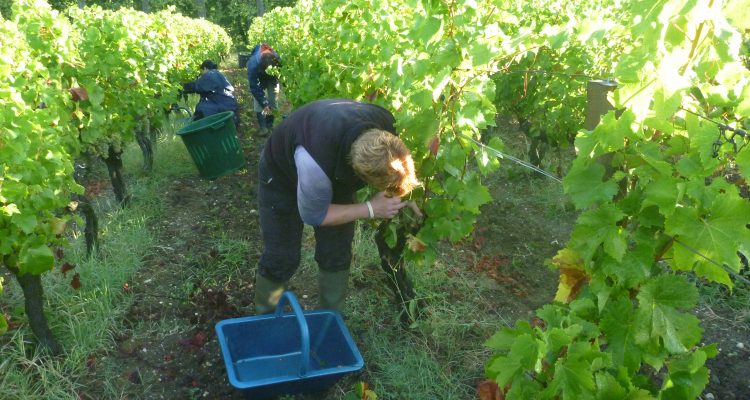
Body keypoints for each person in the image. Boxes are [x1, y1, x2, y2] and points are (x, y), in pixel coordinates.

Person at [254, 98, 422, 314]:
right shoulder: (314, 163)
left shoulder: (385, 126)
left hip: (331, 161)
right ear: (358, 173)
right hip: (281, 178)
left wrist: (408, 191)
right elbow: (314, 216)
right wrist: (370, 209)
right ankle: (265, 319)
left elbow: (399, 166)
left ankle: (330, 321)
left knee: (336, 253)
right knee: (282, 256)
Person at [182, 60, 240, 128]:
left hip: (223, 107)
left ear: (205, 68)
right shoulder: (218, 74)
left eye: (202, 70)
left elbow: (197, 86)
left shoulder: (210, 75)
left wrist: (182, 87)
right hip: (231, 107)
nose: (201, 74)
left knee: (202, 109)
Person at [247, 43, 281, 137]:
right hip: (259, 75)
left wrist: (271, 101)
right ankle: (263, 128)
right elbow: (254, 86)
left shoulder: (277, 59)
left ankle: (269, 125)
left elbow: (280, 74)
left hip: (272, 77)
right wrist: (263, 102)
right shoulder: (253, 64)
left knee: (273, 100)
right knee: (259, 103)